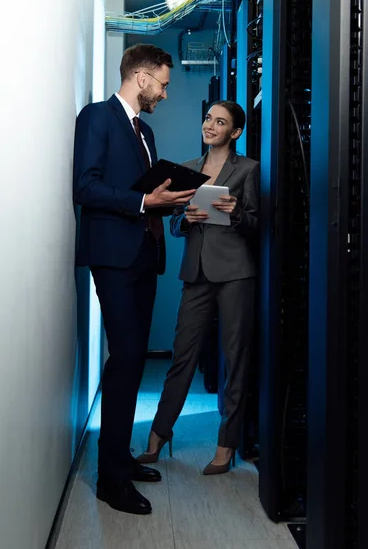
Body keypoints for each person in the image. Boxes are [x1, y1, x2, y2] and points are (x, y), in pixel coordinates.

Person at [73, 44, 195, 515]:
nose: (164, 93)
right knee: (124, 360)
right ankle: (110, 480)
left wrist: (172, 199)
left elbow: (148, 192)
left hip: (145, 255)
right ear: (140, 78)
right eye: (163, 84)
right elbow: (85, 185)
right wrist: (146, 204)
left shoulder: (144, 131)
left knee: (134, 360)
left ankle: (120, 459)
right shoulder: (97, 117)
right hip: (115, 258)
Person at [137, 100, 259, 474]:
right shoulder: (186, 170)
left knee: (235, 359)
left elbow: (257, 223)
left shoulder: (248, 170)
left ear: (234, 132)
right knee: (182, 357)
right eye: (207, 118)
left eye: (219, 122)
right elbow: (172, 226)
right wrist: (186, 219)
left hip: (236, 273)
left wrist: (236, 212)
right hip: (196, 273)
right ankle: (159, 433)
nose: (209, 125)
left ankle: (227, 444)